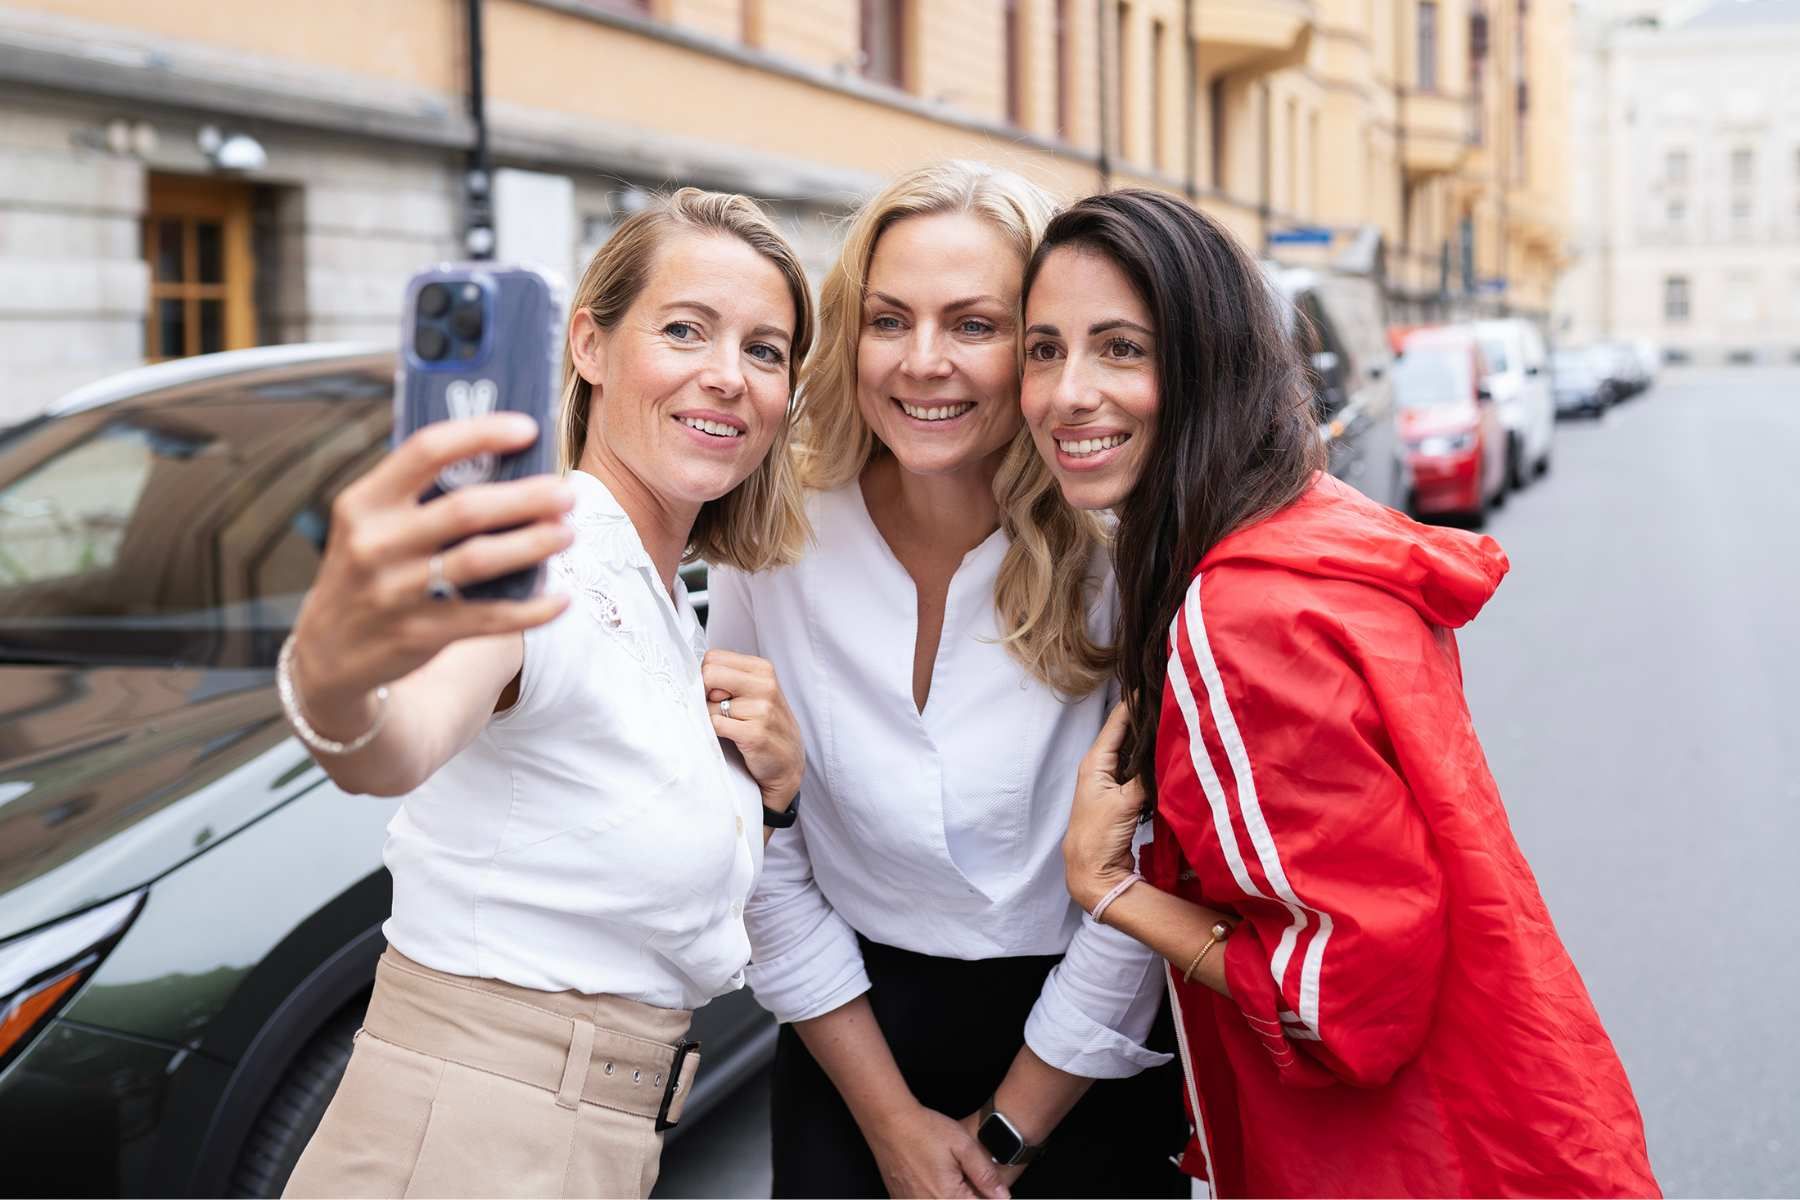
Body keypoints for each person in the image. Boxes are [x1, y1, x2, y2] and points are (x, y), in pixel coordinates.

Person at [1021, 189, 1661, 1198]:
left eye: (1121, 349)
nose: (1067, 392)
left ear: (1207, 364)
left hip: (1400, 1163)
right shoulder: (1309, 533)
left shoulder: (1236, 615)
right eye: (1043, 349)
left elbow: (1341, 1002)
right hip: (1511, 1126)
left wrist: (1108, 890)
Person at [277, 188, 814, 1199]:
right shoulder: (549, 564)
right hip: (472, 1140)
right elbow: (395, 745)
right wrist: (330, 663)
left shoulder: (661, 588)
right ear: (591, 346)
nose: (727, 376)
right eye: (686, 330)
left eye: (766, 349)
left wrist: (775, 796)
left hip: (577, 1139)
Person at [705, 162, 1186, 1200]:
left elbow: (1148, 880)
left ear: (1040, 344)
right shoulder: (774, 529)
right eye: (889, 321)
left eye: (975, 325)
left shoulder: (1128, 552)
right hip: (849, 1041)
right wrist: (891, 1128)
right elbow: (763, 844)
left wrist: (1005, 1132)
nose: (924, 364)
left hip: (1089, 1053)